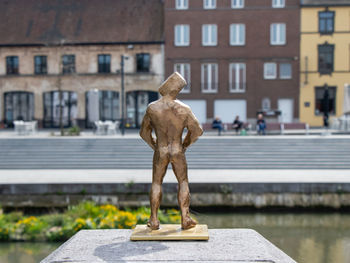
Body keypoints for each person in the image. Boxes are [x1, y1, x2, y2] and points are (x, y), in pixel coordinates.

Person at [140, 72, 203, 230]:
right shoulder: (183, 108)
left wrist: (154, 145)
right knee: (183, 182)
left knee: (156, 182)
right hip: (177, 150)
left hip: (160, 150)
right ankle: (185, 218)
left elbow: (143, 133)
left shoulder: (152, 108)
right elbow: (197, 131)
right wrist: (185, 144)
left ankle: (154, 220)